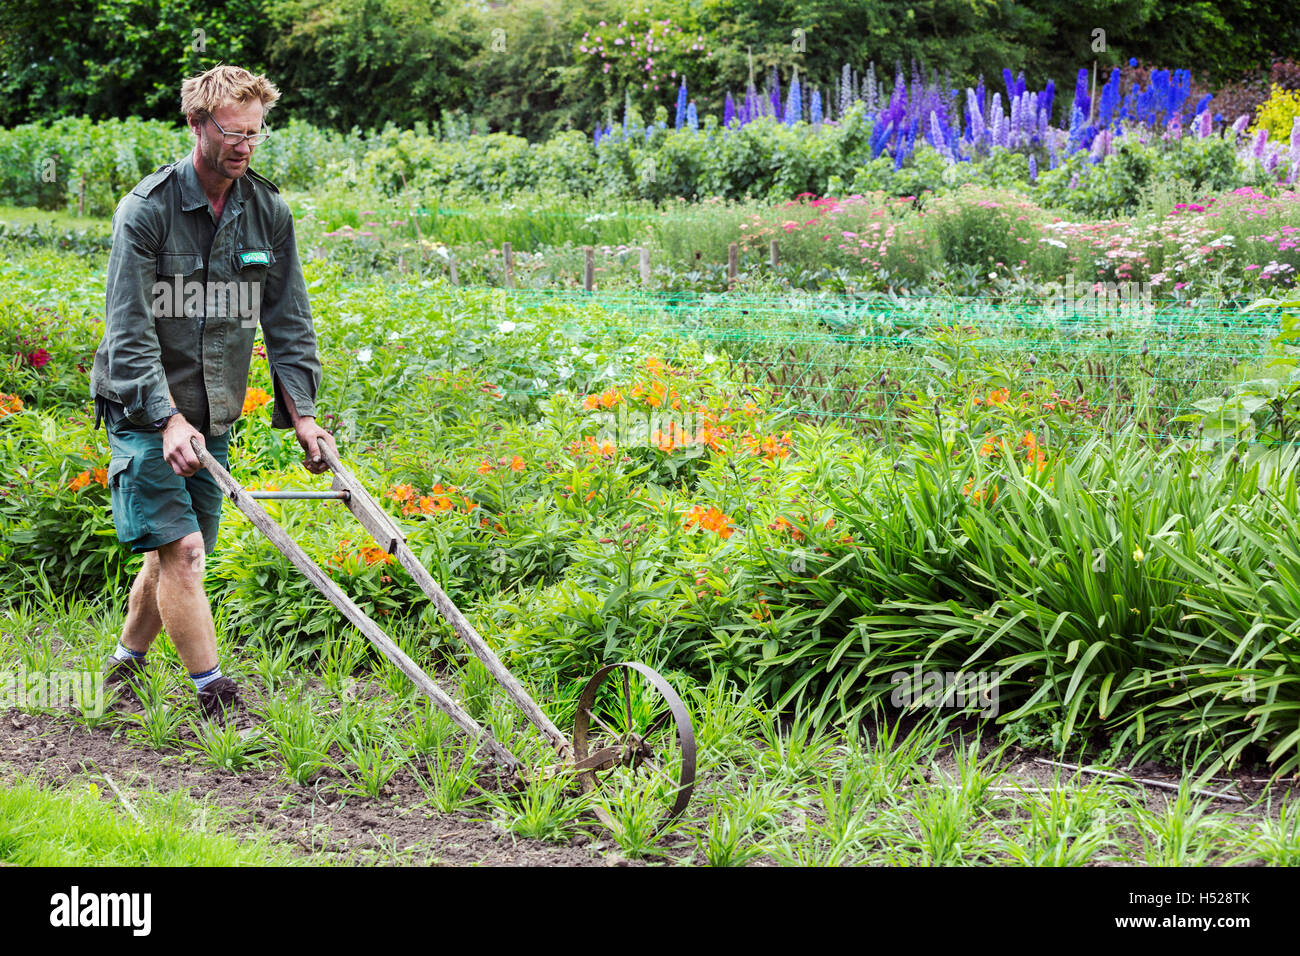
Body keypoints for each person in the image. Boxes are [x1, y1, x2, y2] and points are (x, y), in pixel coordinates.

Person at [90, 65, 336, 720]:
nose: (244, 147)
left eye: (255, 134)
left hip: (215, 407)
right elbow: (130, 329)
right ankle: (215, 697)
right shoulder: (146, 211)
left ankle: (124, 668)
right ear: (196, 123)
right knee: (186, 551)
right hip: (143, 408)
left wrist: (304, 415)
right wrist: (166, 419)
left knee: (180, 551)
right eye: (232, 133)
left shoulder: (267, 210)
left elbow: (288, 320)